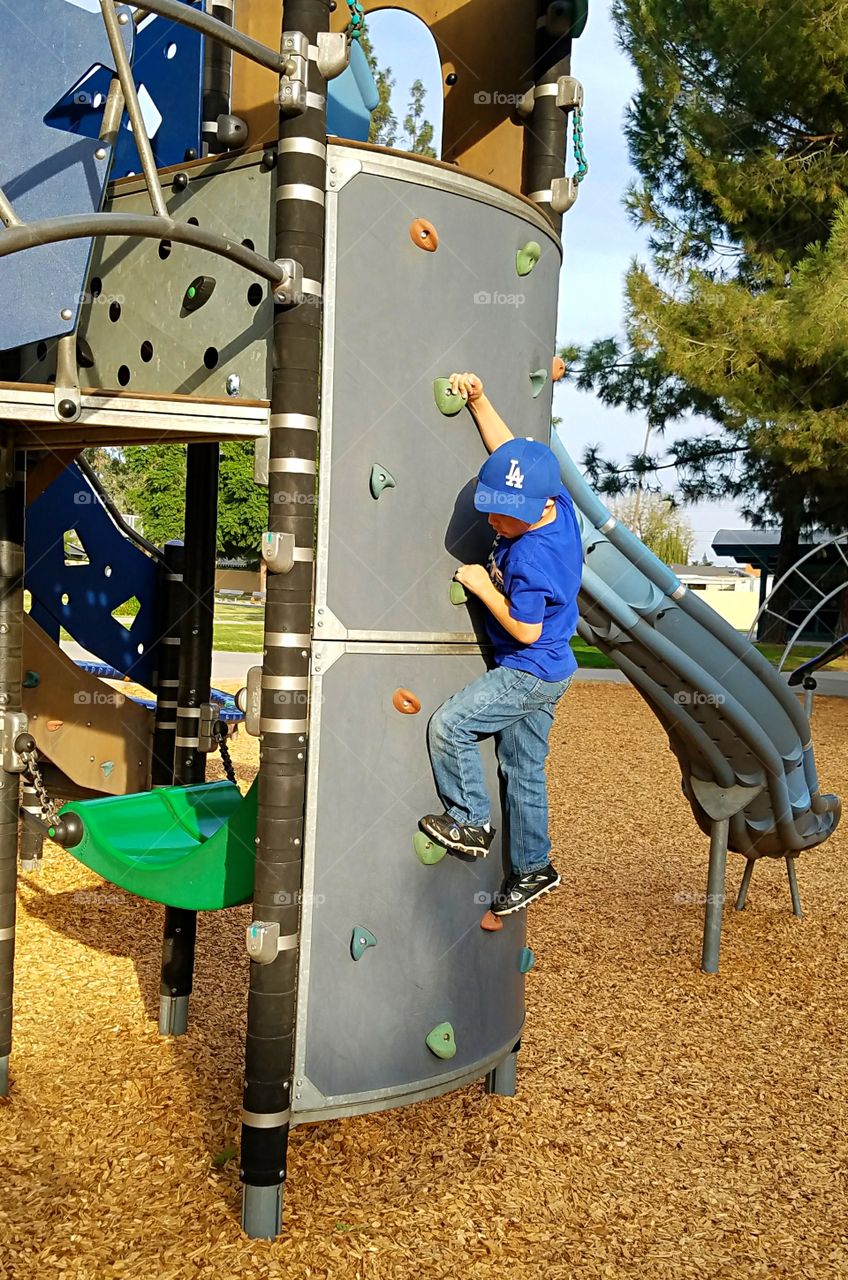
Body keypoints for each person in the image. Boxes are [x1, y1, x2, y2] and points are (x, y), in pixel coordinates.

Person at [418, 371, 583, 916]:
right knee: (523, 770)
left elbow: (525, 627)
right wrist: (480, 400)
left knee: (451, 726)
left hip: (528, 666)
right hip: (553, 669)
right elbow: (511, 451)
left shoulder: (534, 557)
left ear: (536, 511)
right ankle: (534, 868)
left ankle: (470, 821)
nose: (491, 520)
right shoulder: (551, 497)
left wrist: (484, 587)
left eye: (503, 516)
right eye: (490, 506)